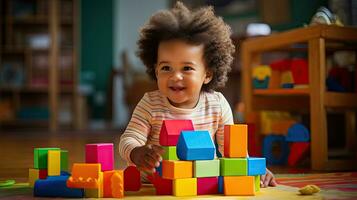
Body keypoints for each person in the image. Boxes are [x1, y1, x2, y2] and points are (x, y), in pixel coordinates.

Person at [119, 1, 277, 187]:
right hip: (153, 184)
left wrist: (253, 169)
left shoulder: (217, 105)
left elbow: (233, 151)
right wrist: (137, 152)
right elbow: (128, 139)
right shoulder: (150, 103)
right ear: (155, 71)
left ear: (208, 74)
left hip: (199, 184)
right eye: (166, 67)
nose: (175, 76)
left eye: (186, 68)